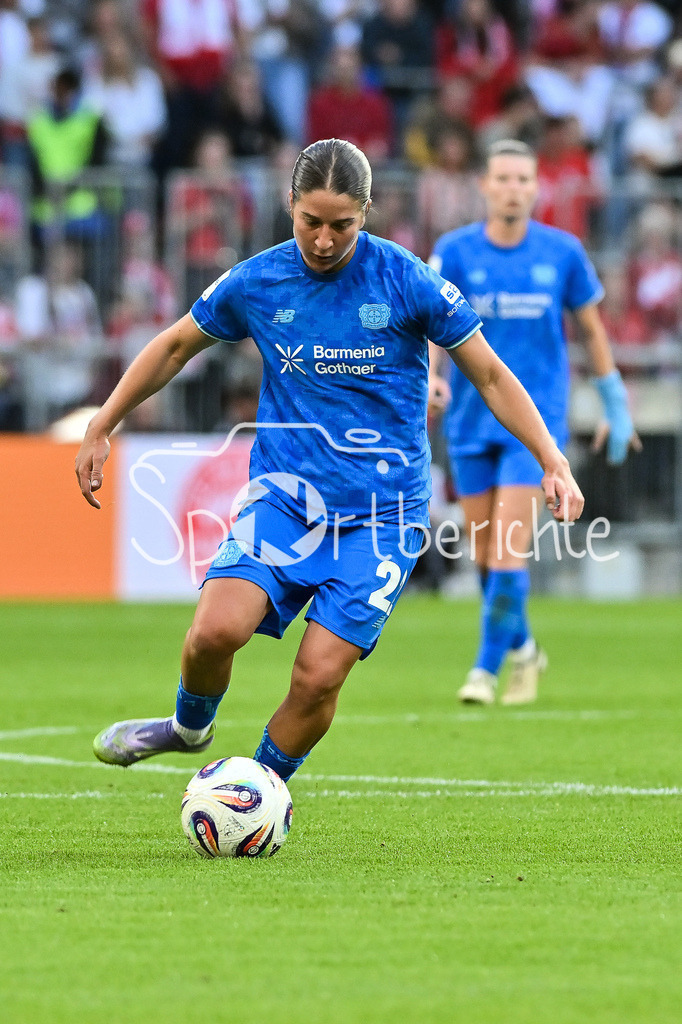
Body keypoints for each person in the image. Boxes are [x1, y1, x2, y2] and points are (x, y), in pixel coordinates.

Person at [75, 138, 583, 780]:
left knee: (317, 675)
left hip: (385, 513)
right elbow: (176, 346)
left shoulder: (405, 278)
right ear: (290, 206)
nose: (322, 239)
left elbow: (489, 373)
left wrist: (551, 459)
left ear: (365, 214)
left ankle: (254, 788)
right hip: (287, 500)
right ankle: (189, 726)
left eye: (340, 224)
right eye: (309, 222)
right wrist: (103, 422)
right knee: (213, 633)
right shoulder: (260, 280)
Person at [429, 138, 640, 708]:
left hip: (535, 426)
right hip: (471, 422)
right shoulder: (454, 251)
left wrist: (614, 404)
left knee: (506, 553)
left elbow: (593, 331)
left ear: (536, 187)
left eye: (524, 179)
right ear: (485, 185)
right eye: (504, 178)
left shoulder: (564, 252)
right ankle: (525, 649)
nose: (514, 189)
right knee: (484, 558)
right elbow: (432, 326)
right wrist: (432, 376)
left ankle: (482, 671)